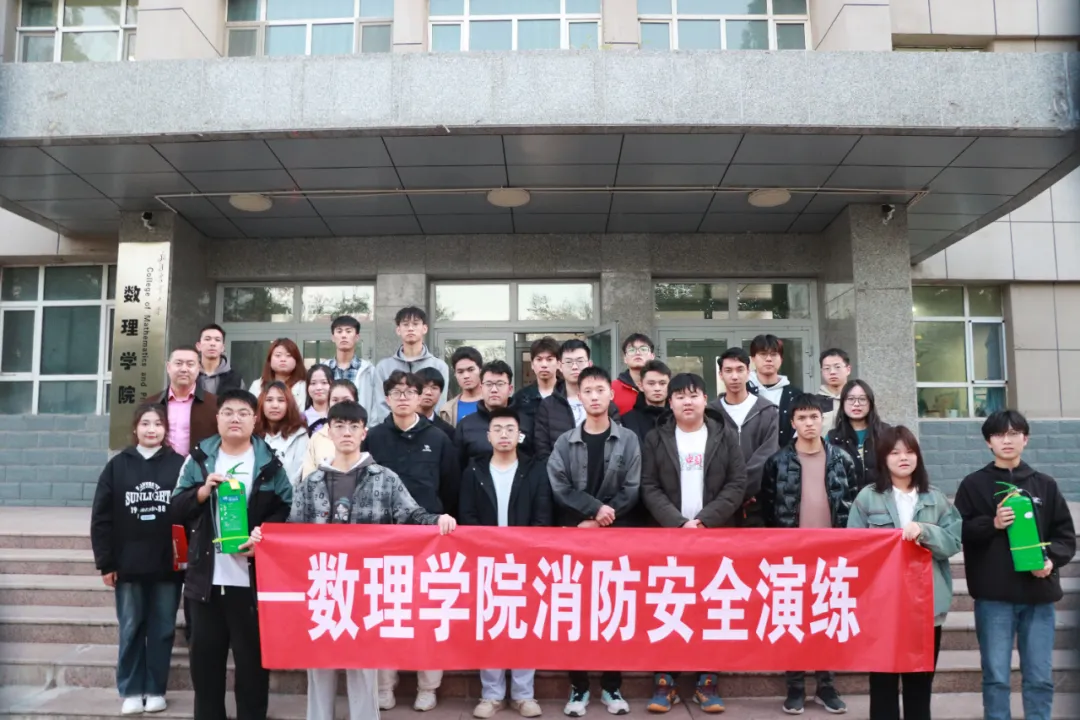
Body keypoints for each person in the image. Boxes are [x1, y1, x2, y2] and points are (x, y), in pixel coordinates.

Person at [290, 400, 457, 720]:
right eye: (339, 426)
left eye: (354, 426)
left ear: (364, 433)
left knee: (363, 667)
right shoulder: (311, 483)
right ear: (329, 432)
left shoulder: (384, 478)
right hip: (323, 585)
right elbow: (292, 531)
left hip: (367, 586)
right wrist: (265, 538)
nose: (347, 432)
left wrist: (438, 520)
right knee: (319, 665)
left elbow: (412, 515)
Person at [170, 389, 293, 720]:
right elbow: (175, 507)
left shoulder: (270, 463)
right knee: (205, 670)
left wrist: (264, 536)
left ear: (255, 420)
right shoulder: (199, 460)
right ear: (218, 418)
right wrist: (202, 492)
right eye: (228, 412)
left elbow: (286, 509)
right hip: (205, 582)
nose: (235, 418)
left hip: (251, 584)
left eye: (243, 413)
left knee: (252, 670)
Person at [953, 410, 1076, 720]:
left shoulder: (1044, 485)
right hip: (993, 598)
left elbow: (1065, 537)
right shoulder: (973, 485)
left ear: (1025, 439)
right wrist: (992, 523)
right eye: (998, 435)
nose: (1006, 440)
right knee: (996, 677)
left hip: (1038, 597)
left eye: (1013, 433)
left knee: (1039, 677)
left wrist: (1049, 560)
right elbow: (959, 532)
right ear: (988, 442)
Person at [640, 373, 748, 715]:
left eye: (694, 395)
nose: (687, 402)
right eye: (680, 396)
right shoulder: (656, 438)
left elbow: (737, 483)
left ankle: (707, 681)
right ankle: (665, 681)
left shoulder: (725, 436)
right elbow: (648, 485)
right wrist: (677, 523)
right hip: (668, 539)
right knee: (668, 607)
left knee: (709, 608)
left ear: (705, 399)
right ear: (670, 402)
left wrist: (704, 521)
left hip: (713, 537)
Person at [848, 425, 962, 720]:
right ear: (883, 458)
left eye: (910, 452)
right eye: (895, 452)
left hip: (925, 607)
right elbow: (853, 548)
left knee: (919, 686)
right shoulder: (867, 498)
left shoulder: (935, 499)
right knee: (882, 685)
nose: (903, 458)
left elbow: (953, 542)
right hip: (882, 608)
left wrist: (925, 531)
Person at [547, 366, 639, 717]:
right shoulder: (565, 442)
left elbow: (633, 487)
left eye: (601, 389)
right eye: (588, 391)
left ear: (611, 394)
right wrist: (591, 510)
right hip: (576, 538)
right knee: (576, 613)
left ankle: (612, 686)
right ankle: (579, 686)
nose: (595, 396)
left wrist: (602, 517)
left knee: (613, 611)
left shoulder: (628, 439)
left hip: (615, 539)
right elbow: (559, 486)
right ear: (579, 396)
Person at [760, 394, 856, 716]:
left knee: (827, 618)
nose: (809, 423)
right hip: (791, 556)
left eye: (814, 417)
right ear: (792, 423)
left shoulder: (842, 460)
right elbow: (768, 509)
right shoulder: (777, 462)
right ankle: (796, 687)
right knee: (793, 619)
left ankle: (826, 686)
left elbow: (852, 503)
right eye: (802, 418)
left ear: (822, 420)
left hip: (832, 555)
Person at [90, 403, 185, 715]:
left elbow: (188, 513)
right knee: (131, 628)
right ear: (135, 428)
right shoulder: (117, 466)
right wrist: (106, 563)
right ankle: (131, 689)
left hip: (167, 565)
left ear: (165, 429)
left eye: (157, 424)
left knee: (163, 629)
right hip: (127, 566)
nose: (151, 429)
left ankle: (156, 689)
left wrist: (185, 559)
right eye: (145, 423)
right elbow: (101, 518)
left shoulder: (179, 465)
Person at [459, 406, 550, 719]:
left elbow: (542, 517)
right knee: (491, 626)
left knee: (524, 626)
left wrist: (526, 551)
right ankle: (492, 695)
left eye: (510, 429)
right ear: (488, 436)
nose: (504, 435)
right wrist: (487, 549)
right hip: (487, 561)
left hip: (525, 561)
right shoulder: (474, 470)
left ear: (519, 434)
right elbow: (467, 515)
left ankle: (524, 694)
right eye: (497, 429)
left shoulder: (535, 469)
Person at [364, 370, 460, 520]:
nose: (403, 398)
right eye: (396, 393)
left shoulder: (439, 438)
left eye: (410, 392)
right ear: (387, 399)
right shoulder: (372, 437)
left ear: (419, 398)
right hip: (384, 523)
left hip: (428, 523)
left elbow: (451, 487)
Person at [709, 347, 779, 528]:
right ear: (720, 375)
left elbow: (767, 455)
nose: (734, 376)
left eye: (740, 370)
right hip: (718, 505)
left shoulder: (768, 411)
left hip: (757, 503)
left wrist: (738, 491)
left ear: (749, 372)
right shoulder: (710, 414)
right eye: (728, 371)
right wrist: (727, 496)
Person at [534, 339, 618, 460]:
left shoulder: (605, 403)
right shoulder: (548, 405)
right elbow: (542, 449)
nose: (574, 367)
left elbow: (617, 444)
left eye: (580, 361)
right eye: (568, 362)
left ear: (589, 364)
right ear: (559, 366)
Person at [374, 306, 450, 422]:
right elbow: (381, 404)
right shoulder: (384, 367)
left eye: (415, 324)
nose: (410, 328)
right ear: (398, 330)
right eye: (405, 324)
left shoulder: (439, 366)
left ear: (424, 328)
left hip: (428, 428)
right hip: (392, 428)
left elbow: (440, 402)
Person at [455, 360, 524, 469]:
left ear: (510, 389)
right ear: (481, 388)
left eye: (500, 384)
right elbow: (457, 467)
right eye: (488, 384)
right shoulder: (465, 425)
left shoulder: (525, 422)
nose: (494, 390)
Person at [151, 346, 217, 458]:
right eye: (178, 363)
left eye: (190, 364)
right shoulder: (152, 403)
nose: (184, 369)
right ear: (168, 367)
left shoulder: (214, 404)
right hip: (159, 466)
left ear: (199, 368)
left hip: (199, 467)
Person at [827, 380, 889, 494]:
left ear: (870, 403)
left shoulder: (886, 432)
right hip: (847, 501)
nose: (856, 404)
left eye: (862, 399)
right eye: (850, 399)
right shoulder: (833, 438)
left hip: (882, 498)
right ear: (842, 403)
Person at [748, 334, 803, 448]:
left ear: (781, 359)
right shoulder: (744, 392)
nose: (768, 359)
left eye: (774, 354)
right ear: (753, 359)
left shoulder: (795, 395)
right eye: (763, 354)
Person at [255, 381, 309, 487]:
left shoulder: (300, 435)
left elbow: (297, 475)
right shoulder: (253, 434)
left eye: (281, 400)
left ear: (289, 404)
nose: (275, 405)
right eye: (269, 400)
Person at [302, 379, 359, 479]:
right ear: (328, 404)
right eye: (335, 400)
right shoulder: (317, 437)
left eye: (346, 400)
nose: (340, 404)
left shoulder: (365, 435)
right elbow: (307, 478)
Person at [325, 314, 379, 416]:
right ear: (333, 337)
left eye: (348, 331)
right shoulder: (323, 369)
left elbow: (376, 405)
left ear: (357, 337)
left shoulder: (369, 370)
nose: (343, 335)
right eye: (339, 331)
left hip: (361, 423)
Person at [511, 336, 561, 432]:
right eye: (539, 359)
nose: (544, 365)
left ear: (559, 363)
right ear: (532, 364)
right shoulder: (521, 398)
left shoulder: (566, 394)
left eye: (549, 359)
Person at [248, 338, 307, 409]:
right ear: (270, 360)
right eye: (278, 355)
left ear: (296, 361)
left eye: (288, 355)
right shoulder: (257, 385)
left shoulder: (305, 386)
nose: (283, 359)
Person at [621, 359, 671, 443]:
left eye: (662, 383)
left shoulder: (678, 417)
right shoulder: (627, 420)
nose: (657, 388)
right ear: (640, 386)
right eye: (651, 384)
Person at [611, 333, 655, 416]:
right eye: (632, 350)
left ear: (652, 356)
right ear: (625, 358)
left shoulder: (663, 387)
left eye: (643, 349)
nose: (637, 353)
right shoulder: (612, 388)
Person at [195, 323, 244, 395]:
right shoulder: (189, 374)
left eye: (217, 340)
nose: (212, 343)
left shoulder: (235, 378)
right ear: (198, 346)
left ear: (223, 348)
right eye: (207, 339)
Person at [441, 345, 484, 426]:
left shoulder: (494, 402)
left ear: (480, 371)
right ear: (455, 374)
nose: (466, 376)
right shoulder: (447, 409)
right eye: (460, 372)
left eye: (471, 370)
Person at [816, 348, 851, 433]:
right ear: (821, 372)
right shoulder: (814, 402)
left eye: (837, 367)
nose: (832, 372)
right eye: (827, 368)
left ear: (848, 369)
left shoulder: (857, 400)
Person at [416, 366, 456, 439]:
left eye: (434, 388)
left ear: (440, 393)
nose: (428, 392)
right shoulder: (401, 424)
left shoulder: (447, 431)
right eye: (423, 387)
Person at [303, 363, 333, 434]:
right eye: (313, 383)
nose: (318, 388)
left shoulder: (339, 416)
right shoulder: (300, 419)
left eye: (324, 382)